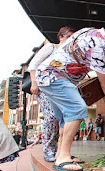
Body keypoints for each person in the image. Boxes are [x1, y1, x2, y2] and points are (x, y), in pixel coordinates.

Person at [36, 22, 105, 171]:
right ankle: (62, 159)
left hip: (46, 76)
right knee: (77, 108)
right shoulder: (98, 46)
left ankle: (60, 153)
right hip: (54, 76)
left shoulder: (89, 31)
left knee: (64, 117)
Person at [28, 26, 83, 163]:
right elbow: (33, 64)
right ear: (61, 36)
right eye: (69, 36)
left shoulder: (70, 53)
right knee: (51, 117)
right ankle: (49, 150)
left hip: (60, 88)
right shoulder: (51, 48)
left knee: (66, 119)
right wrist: (34, 83)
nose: (71, 39)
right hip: (45, 86)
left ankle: (62, 152)